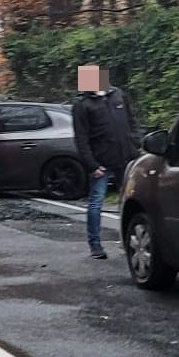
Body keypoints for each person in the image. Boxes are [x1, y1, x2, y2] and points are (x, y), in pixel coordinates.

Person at [72, 65, 142, 260]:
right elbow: (81, 139)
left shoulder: (118, 95)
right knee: (96, 202)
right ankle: (95, 245)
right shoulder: (83, 105)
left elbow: (132, 120)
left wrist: (135, 142)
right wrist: (91, 165)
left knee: (129, 202)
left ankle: (128, 242)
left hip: (126, 158)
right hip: (101, 162)